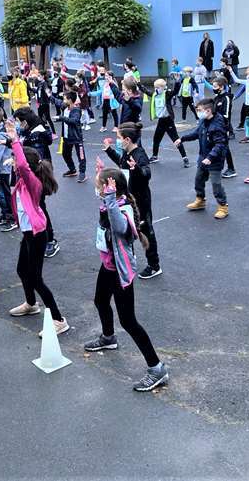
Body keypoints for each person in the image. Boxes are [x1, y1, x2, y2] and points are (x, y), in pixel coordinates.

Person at [85, 168, 169, 392]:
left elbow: (121, 228)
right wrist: (104, 179)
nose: (96, 188)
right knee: (100, 301)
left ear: (110, 190)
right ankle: (108, 337)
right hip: (108, 266)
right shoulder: (111, 202)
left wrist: (110, 197)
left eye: (98, 184)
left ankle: (156, 367)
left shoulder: (122, 207)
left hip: (120, 271)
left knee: (129, 321)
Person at [3, 121, 69, 333]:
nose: (13, 163)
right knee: (22, 270)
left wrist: (14, 141)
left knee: (36, 278)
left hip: (37, 234)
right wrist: (10, 143)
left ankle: (59, 320)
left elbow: (22, 164)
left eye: (15, 160)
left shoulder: (34, 184)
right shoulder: (24, 180)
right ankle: (31, 304)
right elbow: (23, 162)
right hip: (27, 233)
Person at [103, 122, 161, 279]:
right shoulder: (126, 154)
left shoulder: (139, 155)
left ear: (127, 139)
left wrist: (136, 170)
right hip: (128, 198)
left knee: (145, 230)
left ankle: (154, 265)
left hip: (141, 200)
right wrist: (109, 150)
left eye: (119, 138)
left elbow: (146, 174)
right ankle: (130, 257)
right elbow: (121, 164)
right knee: (129, 228)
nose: (118, 141)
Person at [13, 108, 59, 258]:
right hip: (32, 177)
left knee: (40, 208)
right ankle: (38, 235)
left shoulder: (36, 135)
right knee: (36, 207)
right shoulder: (30, 133)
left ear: (25, 121)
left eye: (19, 122)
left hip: (36, 177)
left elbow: (31, 157)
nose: (18, 125)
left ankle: (50, 239)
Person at [176, 98, 230, 219]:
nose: (197, 112)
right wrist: (182, 139)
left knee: (216, 184)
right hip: (203, 156)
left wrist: (211, 157)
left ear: (208, 111)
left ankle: (223, 207)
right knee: (199, 179)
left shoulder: (217, 125)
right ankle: (200, 200)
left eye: (199, 110)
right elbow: (197, 133)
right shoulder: (203, 121)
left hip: (214, 160)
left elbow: (220, 144)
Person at [145, 78, 189, 167]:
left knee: (176, 139)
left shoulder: (167, 94)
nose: (156, 89)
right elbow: (146, 91)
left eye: (157, 88)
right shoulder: (155, 95)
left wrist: (177, 82)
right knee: (156, 139)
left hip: (168, 120)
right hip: (161, 121)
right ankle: (155, 156)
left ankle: (185, 158)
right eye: (155, 88)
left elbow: (176, 91)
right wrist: (138, 84)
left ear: (163, 87)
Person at [55, 92, 87, 182]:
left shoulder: (76, 110)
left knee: (81, 156)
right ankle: (72, 169)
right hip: (66, 137)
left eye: (65, 99)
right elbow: (57, 101)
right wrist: (49, 95)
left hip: (76, 137)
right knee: (65, 154)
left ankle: (82, 173)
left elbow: (74, 121)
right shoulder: (65, 107)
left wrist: (62, 118)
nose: (63, 100)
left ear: (70, 100)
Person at [211, 75, 237, 178]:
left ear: (221, 87)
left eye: (215, 86)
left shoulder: (226, 97)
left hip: (223, 127)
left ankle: (231, 169)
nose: (213, 88)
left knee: (225, 148)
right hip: (215, 127)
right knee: (215, 147)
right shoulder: (216, 98)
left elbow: (226, 115)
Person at [230, 65, 249, 144]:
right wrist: (231, 71)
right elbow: (236, 80)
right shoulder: (247, 82)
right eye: (247, 74)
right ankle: (247, 137)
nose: (248, 76)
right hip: (247, 105)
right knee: (247, 121)